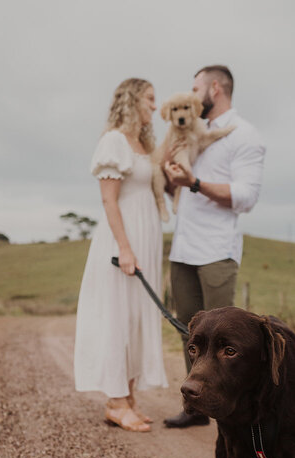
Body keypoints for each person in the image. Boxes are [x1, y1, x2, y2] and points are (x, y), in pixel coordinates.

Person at [162, 65, 266, 428]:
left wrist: (194, 182)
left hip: (216, 251)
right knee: (189, 335)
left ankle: (231, 409)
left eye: (195, 89)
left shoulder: (244, 135)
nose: (189, 97)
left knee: (226, 341)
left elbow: (245, 197)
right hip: (183, 250)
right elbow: (172, 185)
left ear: (216, 89)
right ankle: (196, 408)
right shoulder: (190, 132)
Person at [74, 78, 168, 432]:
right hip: (121, 243)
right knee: (117, 318)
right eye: (150, 99)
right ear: (132, 100)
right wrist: (125, 249)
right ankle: (114, 402)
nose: (155, 107)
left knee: (136, 319)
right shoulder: (113, 141)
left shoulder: (143, 143)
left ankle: (129, 398)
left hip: (145, 239)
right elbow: (109, 200)